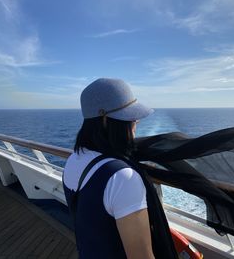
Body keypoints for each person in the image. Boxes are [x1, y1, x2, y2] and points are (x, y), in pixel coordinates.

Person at [63, 78, 176, 259]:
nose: (136, 123)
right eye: (131, 117)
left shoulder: (74, 159)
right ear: (106, 120)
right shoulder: (123, 177)